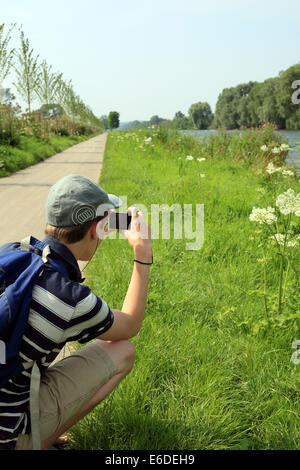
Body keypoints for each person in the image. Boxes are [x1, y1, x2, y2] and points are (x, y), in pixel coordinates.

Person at [0, 174, 152, 450]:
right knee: (122, 352)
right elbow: (130, 325)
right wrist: (142, 253)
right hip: (5, 436)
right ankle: (37, 441)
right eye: (106, 226)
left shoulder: (14, 251)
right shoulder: (70, 300)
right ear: (95, 230)